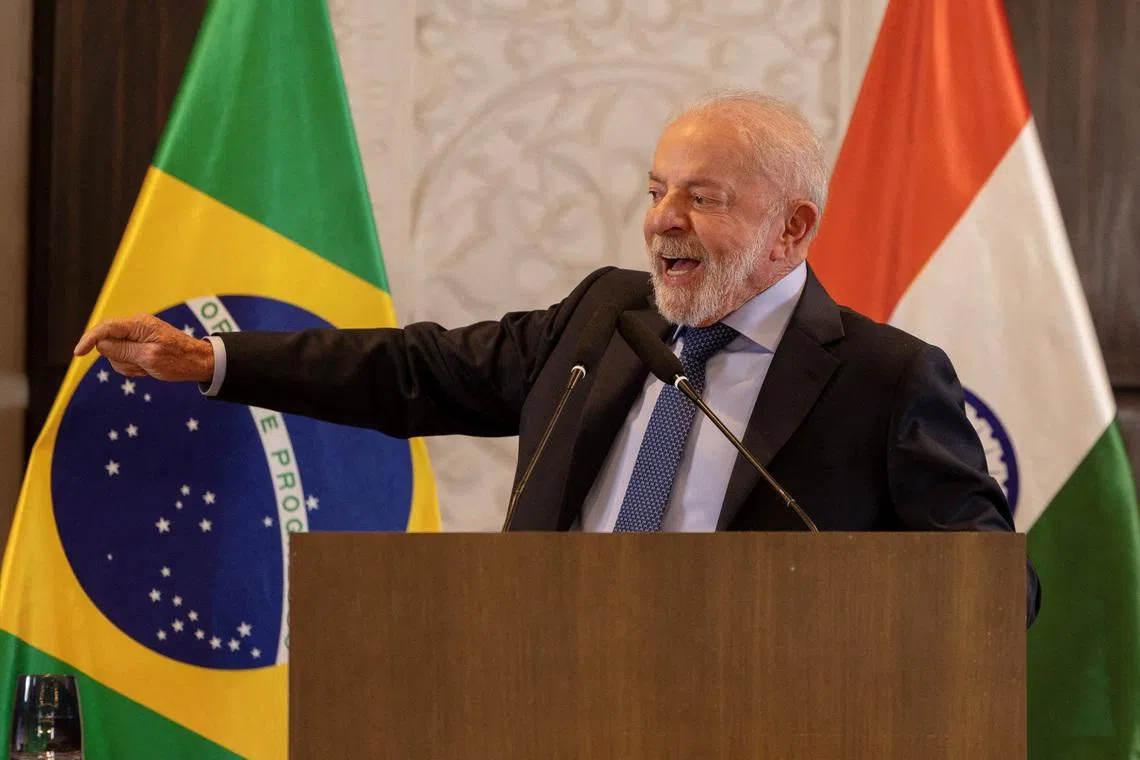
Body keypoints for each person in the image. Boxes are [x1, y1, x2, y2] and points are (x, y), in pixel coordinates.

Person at [74, 91, 1040, 621]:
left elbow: (995, 588)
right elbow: (420, 371)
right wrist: (213, 361)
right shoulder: (604, 319)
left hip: (761, 712)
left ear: (793, 227)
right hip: (549, 688)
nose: (663, 219)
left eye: (703, 198)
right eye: (659, 189)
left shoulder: (884, 378)